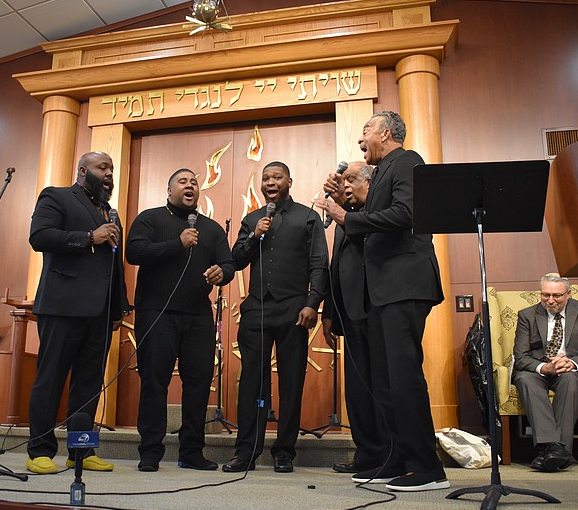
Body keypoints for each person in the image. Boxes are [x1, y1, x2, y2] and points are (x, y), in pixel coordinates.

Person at [320, 111, 448, 492]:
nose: (361, 139)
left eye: (365, 130)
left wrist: (346, 215)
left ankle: (427, 466)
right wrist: (347, 209)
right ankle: (396, 458)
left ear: (386, 132)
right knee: (386, 382)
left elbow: (406, 214)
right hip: (382, 291)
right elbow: (372, 228)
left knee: (404, 376)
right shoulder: (382, 174)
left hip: (403, 285)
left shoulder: (407, 161)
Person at [26, 151, 131, 475]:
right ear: (83, 170)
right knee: (51, 378)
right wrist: (88, 237)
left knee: (88, 384)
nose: (109, 173)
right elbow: (39, 237)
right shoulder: (57, 197)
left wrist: (118, 308)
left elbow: (115, 267)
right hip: (62, 307)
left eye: (111, 168)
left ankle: (80, 451)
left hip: (99, 313)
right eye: (103, 167)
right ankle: (39, 451)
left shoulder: (111, 214)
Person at [126, 168, 235, 473]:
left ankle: (191, 451)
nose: (190, 186)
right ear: (169, 189)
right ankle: (149, 452)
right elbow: (133, 252)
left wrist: (221, 273)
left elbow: (228, 263)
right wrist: (178, 243)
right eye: (183, 182)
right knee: (154, 382)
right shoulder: (150, 218)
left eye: (194, 182)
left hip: (198, 315)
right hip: (156, 313)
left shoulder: (211, 229)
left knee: (199, 384)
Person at [224, 161, 328, 474]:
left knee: (292, 381)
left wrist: (312, 303)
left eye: (277, 177)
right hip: (257, 308)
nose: (270, 182)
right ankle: (246, 451)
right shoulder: (252, 219)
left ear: (289, 181)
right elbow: (236, 260)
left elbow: (319, 265)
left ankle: (284, 451)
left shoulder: (308, 217)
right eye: (266, 178)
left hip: (295, 309)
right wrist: (253, 235)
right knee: (252, 383)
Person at [320, 161, 386, 474]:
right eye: (343, 180)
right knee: (357, 388)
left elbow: (371, 245)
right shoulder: (344, 217)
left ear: (372, 184)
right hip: (350, 313)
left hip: (378, 310)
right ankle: (367, 454)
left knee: (380, 385)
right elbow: (337, 268)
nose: (346, 186)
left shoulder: (374, 214)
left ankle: (389, 454)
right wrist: (330, 313)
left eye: (353, 179)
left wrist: (342, 214)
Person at [512, 274, 578, 472]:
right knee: (525, 380)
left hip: (568, 369)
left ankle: (551, 452)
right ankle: (557, 449)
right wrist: (545, 367)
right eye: (546, 295)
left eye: (557, 296)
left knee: (571, 382)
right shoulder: (527, 315)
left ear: (568, 294)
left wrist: (572, 363)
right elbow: (521, 356)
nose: (550, 300)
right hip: (537, 370)